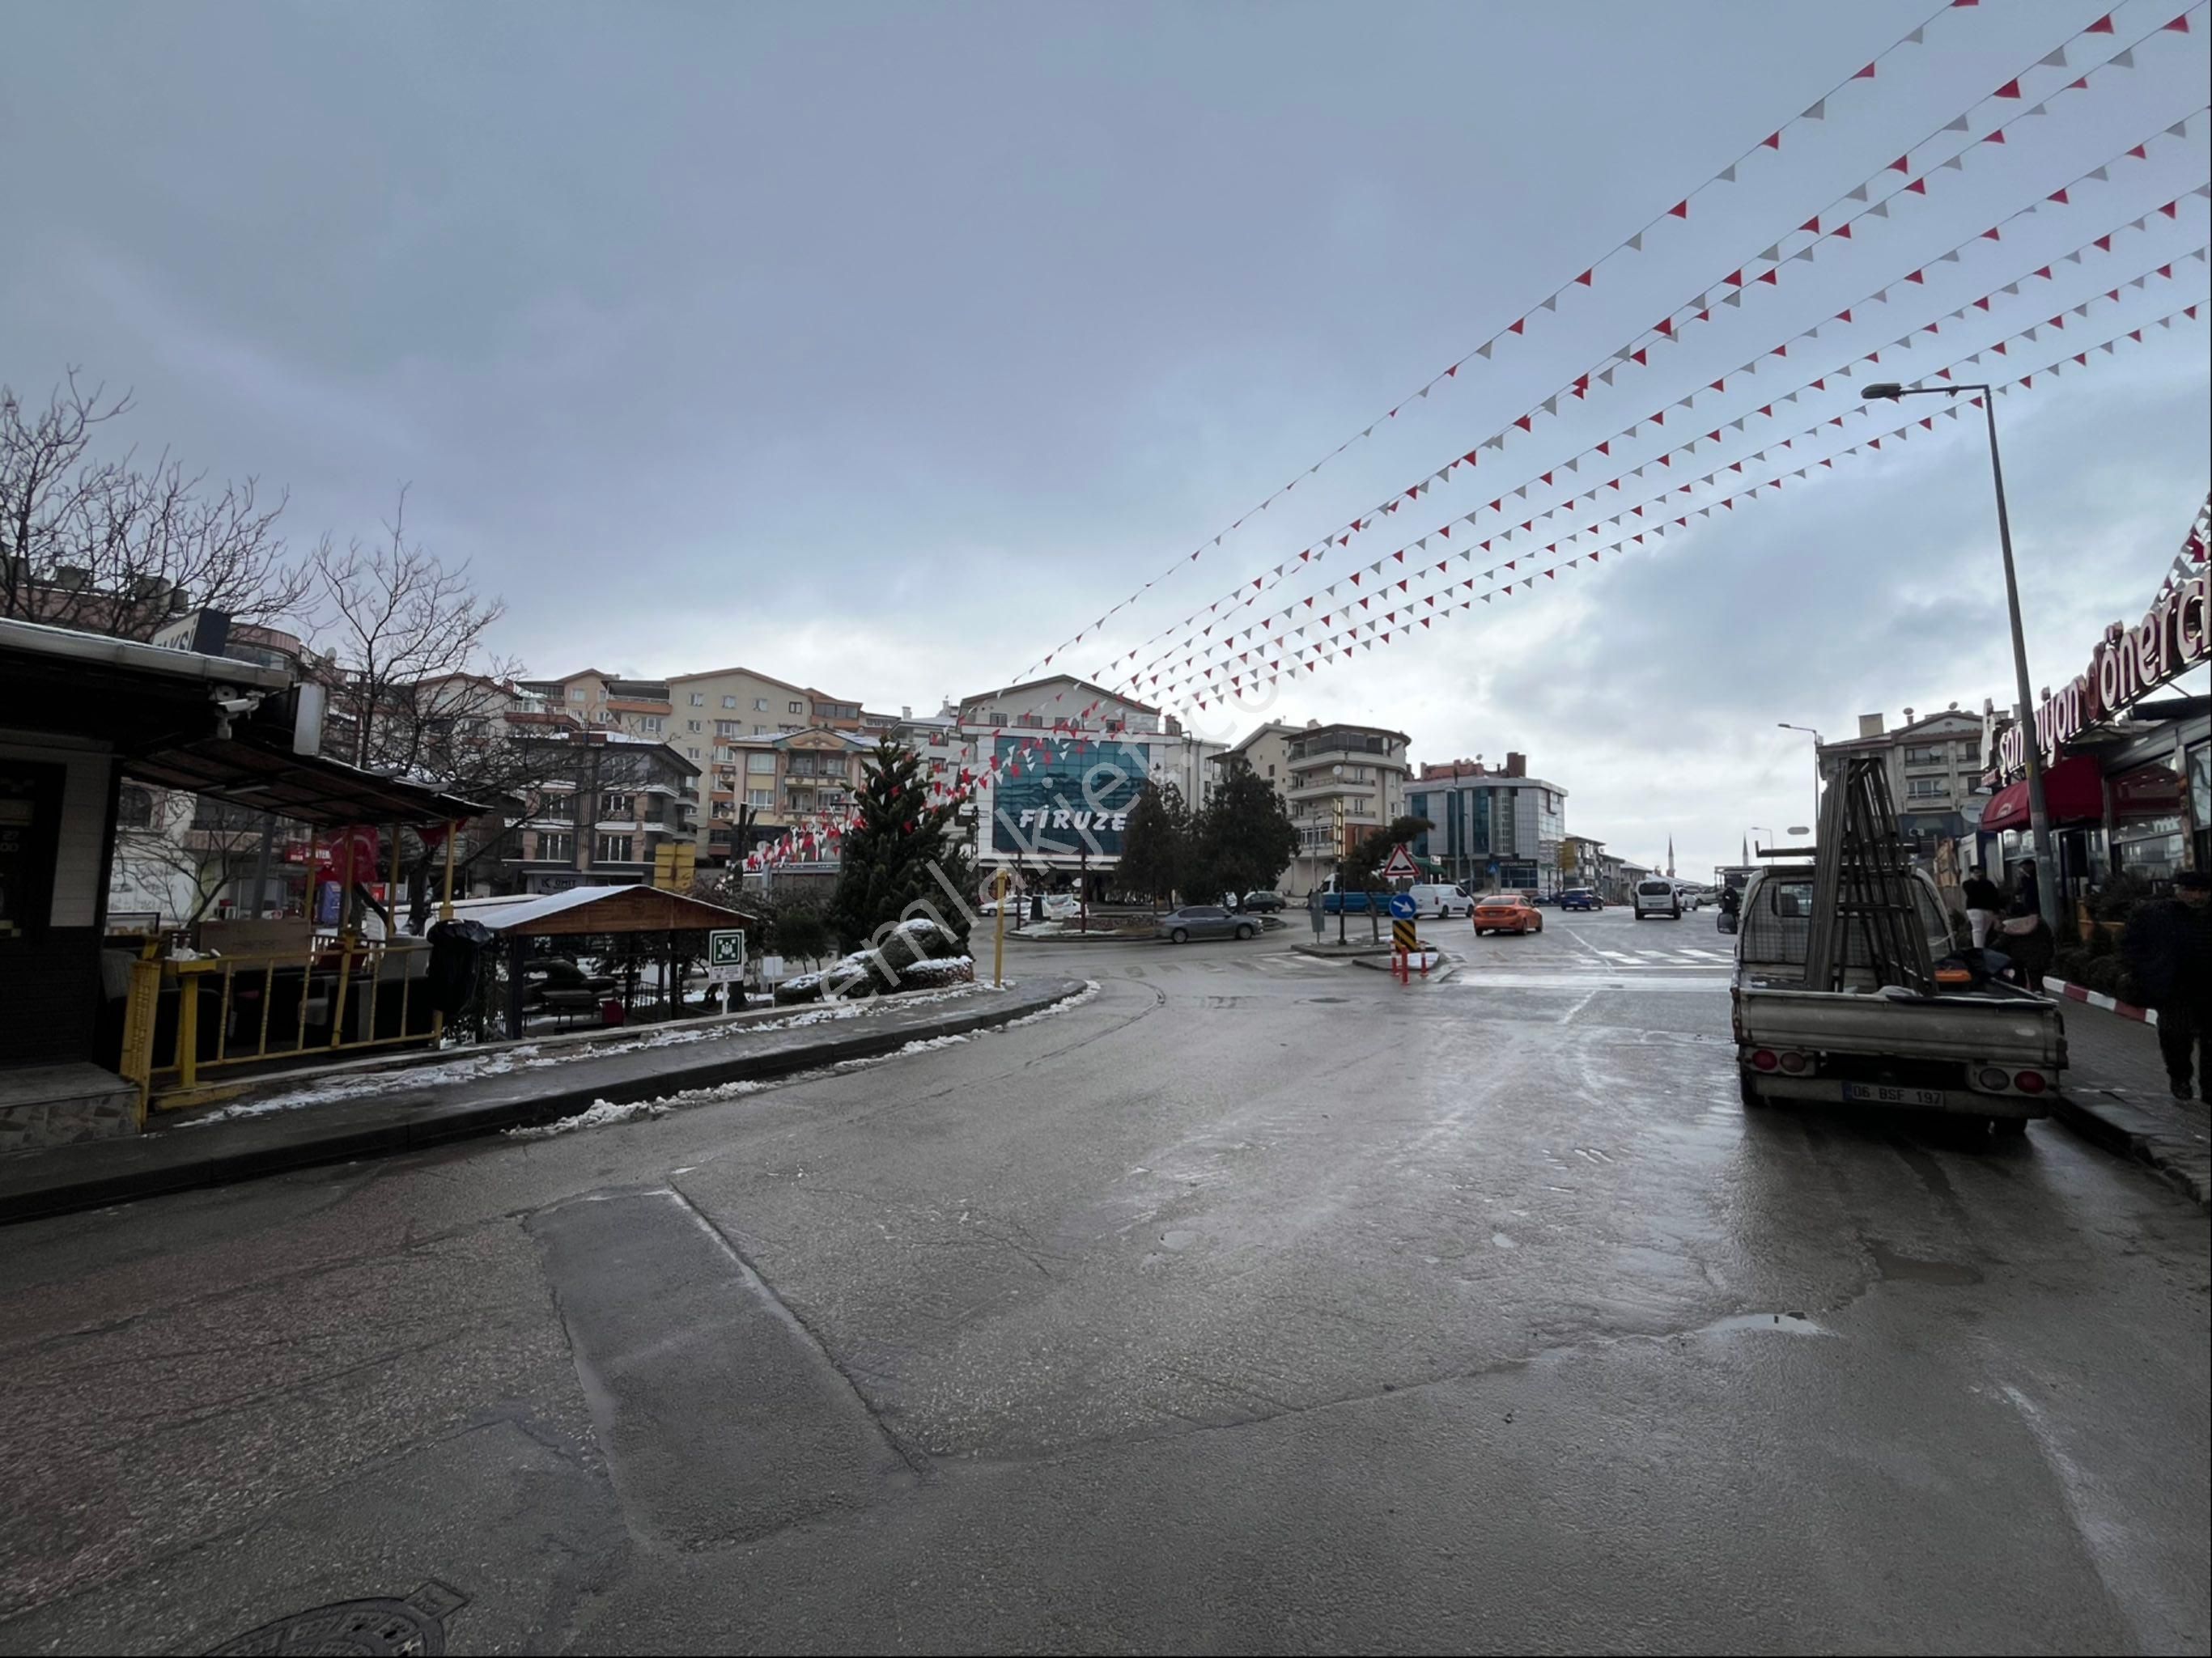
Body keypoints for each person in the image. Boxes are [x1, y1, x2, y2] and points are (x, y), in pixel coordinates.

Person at [2121, 871, 2212, 1101]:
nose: (2197, 896)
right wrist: (2146, 971)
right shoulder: (2155, 914)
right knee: (2176, 1039)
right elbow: (2131, 946)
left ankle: (2209, 1088)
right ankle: (2180, 1078)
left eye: (2202, 891)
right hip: (2174, 990)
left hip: (2208, 990)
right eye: (2191, 891)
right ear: (2178, 891)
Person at [1962, 868, 2002, 949]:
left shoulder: (1988, 883)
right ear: (1971, 874)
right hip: (1976, 909)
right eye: (1976, 872)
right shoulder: (1967, 884)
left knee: (1982, 931)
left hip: (1986, 909)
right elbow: (1971, 892)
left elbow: (1995, 897)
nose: (1978, 874)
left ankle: (1980, 949)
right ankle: (1979, 949)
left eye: (1979, 872)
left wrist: (1996, 912)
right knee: (1978, 930)